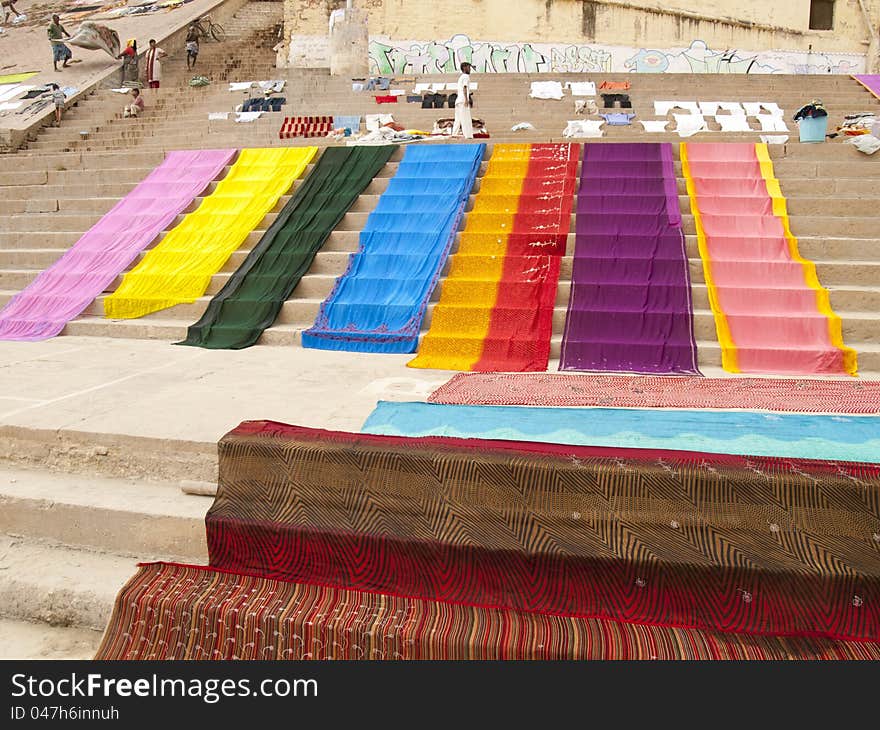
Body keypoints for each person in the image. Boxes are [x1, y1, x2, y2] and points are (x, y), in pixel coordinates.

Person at [451, 61, 474, 139]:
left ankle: (454, 133)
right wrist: (466, 99)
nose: (470, 69)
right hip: (463, 100)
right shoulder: (465, 76)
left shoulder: (461, 77)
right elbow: (465, 87)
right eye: (469, 67)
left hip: (458, 100)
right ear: (465, 68)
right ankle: (468, 135)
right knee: (465, 118)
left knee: (458, 118)